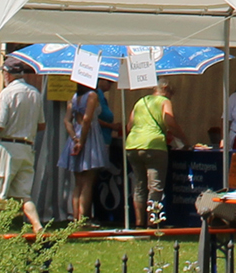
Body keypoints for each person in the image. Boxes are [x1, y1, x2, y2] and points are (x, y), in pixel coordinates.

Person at [0, 54, 45, 233]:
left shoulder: (6, 94)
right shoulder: (35, 93)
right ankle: (38, 227)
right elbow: (41, 124)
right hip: (27, 147)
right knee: (24, 195)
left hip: (8, 147)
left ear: (8, 74)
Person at [123, 86, 184, 228]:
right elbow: (169, 121)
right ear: (166, 90)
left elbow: (129, 126)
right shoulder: (164, 101)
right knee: (155, 186)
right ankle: (152, 222)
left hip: (133, 145)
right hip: (154, 146)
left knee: (139, 185)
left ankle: (138, 222)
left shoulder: (140, 101)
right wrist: (183, 138)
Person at [68, 74, 113, 223]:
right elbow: (87, 119)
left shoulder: (74, 97)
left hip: (75, 135)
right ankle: (82, 218)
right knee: (87, 181)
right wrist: (81, 140)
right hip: (89, 136)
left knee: (78, 182)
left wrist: (74, 136)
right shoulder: (92, 95)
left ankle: (76, 218)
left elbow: (66, 120)